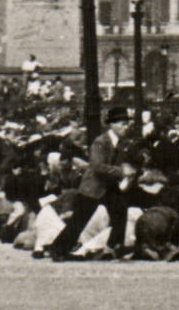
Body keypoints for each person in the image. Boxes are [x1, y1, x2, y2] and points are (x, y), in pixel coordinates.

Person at [49, 107, 137, 260]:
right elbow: (97, 167)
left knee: (120, 212)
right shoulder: (100, 142)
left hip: (109, 186)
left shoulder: (122, 143)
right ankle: (58, 249)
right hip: (93, 187)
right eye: (123, 123)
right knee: (80, 219)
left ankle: (114, 247)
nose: (126, 127)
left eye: (127, 124)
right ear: (112, 125)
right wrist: (122, 171)